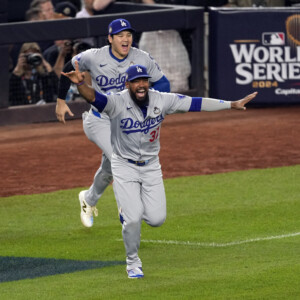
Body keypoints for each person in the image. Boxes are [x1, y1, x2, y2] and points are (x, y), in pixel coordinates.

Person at [62, 62, 257, 278]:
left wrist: (230, 104)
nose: (141, 85)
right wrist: (81, 83)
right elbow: (94, 98)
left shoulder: (162, 100)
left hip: (151, 166)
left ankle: (130, 208)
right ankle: (133, 262)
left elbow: (195, 103)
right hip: (124, 165)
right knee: (133, 218)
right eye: (136, 81)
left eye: (144, 80)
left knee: (156, 219)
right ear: (128, 84)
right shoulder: (117, 102)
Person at [56, 18, 170, 228]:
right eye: (120, 35)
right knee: (121, 160)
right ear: (110, 39)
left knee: (109, 168)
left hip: (125, 125)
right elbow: (67, 68)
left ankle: (88, 200)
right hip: (98, 121)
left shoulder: (141, 57)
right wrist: (61, 100)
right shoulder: (93, 56)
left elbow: (163, 82)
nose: (125, 39)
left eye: (128, 35)